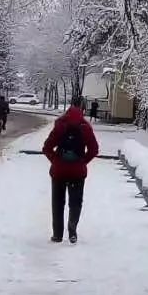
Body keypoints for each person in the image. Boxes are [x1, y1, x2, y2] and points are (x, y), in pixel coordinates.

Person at [42, 96, 99, 244]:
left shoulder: (60, 125)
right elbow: (94, 149)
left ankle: (57, 235)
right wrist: (82, 162)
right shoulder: (85, 127)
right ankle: (72, 232)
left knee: (57, 202)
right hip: (77, 173)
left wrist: (56, 160)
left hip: (59, 171)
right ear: (82, 111)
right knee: (75, 202)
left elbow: (47, 147)